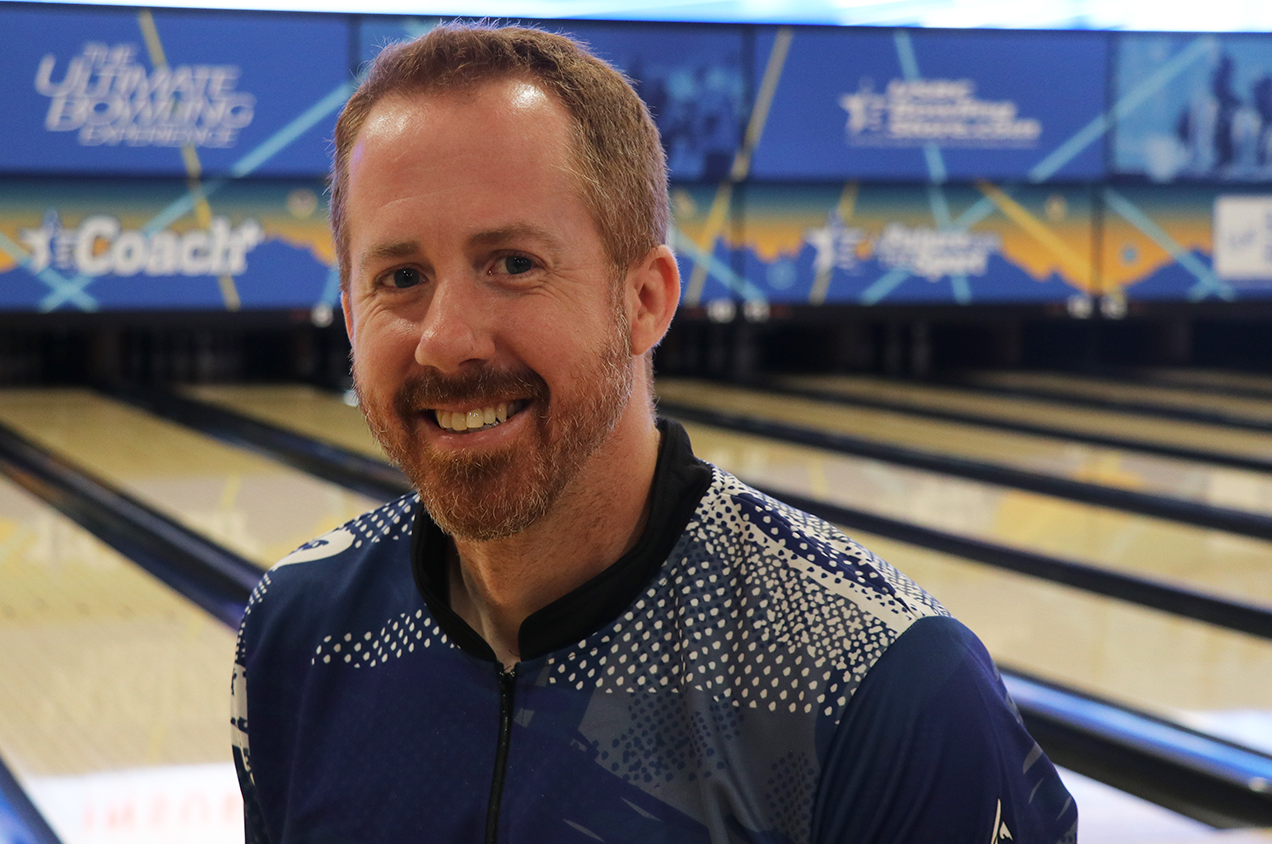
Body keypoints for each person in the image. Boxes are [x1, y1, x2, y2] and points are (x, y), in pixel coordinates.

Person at [232, 24, 1076, 844]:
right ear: (350, 313)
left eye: (514, 264)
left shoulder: (880, 686)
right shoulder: (298, 633)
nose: (447, 337)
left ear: (645, 300)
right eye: (401, 278)